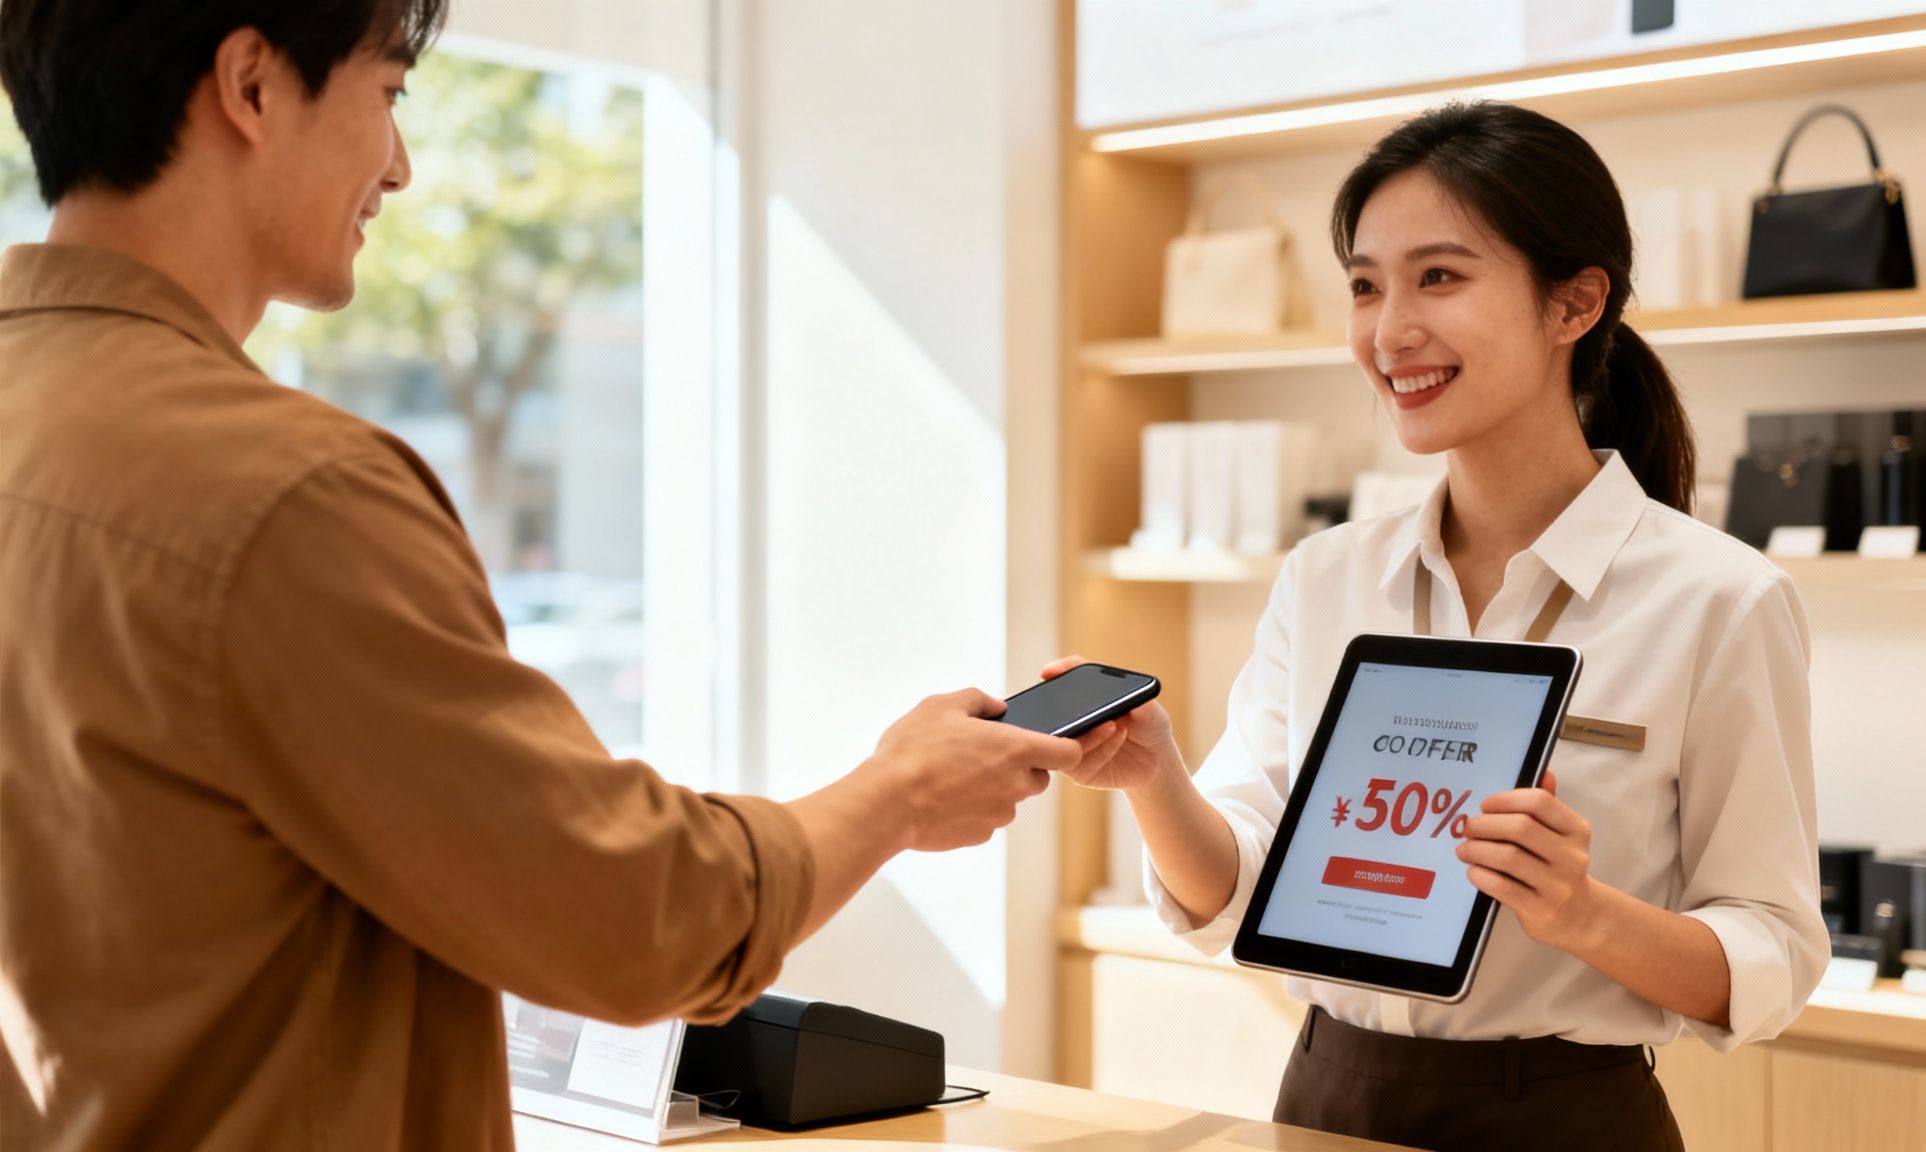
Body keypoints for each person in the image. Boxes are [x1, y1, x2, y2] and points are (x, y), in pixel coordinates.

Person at [0, 3, 1097, 1148]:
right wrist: (898, 794)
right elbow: (633, 921)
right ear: (252, 83)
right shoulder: (283, 492)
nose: (402, 166)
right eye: (388, 94)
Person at [1051, 101, 1828, 1151]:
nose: (1387, 331)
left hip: (1564, 1118)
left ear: (1574, 303)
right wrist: (1153, 779)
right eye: (1365, 285)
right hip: (1327, 1096)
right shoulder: (1324, 578)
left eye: (1439, 277)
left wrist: (1579, 911)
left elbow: (1771, 952)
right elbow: (1234, 893)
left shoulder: (1717, 600)